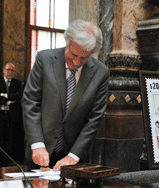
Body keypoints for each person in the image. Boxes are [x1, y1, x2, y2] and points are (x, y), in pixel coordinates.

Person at [22, 19, 109, 171]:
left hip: (73, 155)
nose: (76, 62)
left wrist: (73, 156)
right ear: (68, 42)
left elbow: (94, 119)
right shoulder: (45, 60)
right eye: (73, 54)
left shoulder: (101, 73)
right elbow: (30, 102)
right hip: (40, 150)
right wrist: (37, 144)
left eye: (83, 58)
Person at [0, 62, 24, 166]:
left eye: (12, 70)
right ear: (3, 70)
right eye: (8, 70)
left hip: (12, 116)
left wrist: (5, 96)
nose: (9, 72)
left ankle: (8, 162)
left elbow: (19, 96)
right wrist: (9, 100)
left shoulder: (17, 83)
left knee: (10, 138)